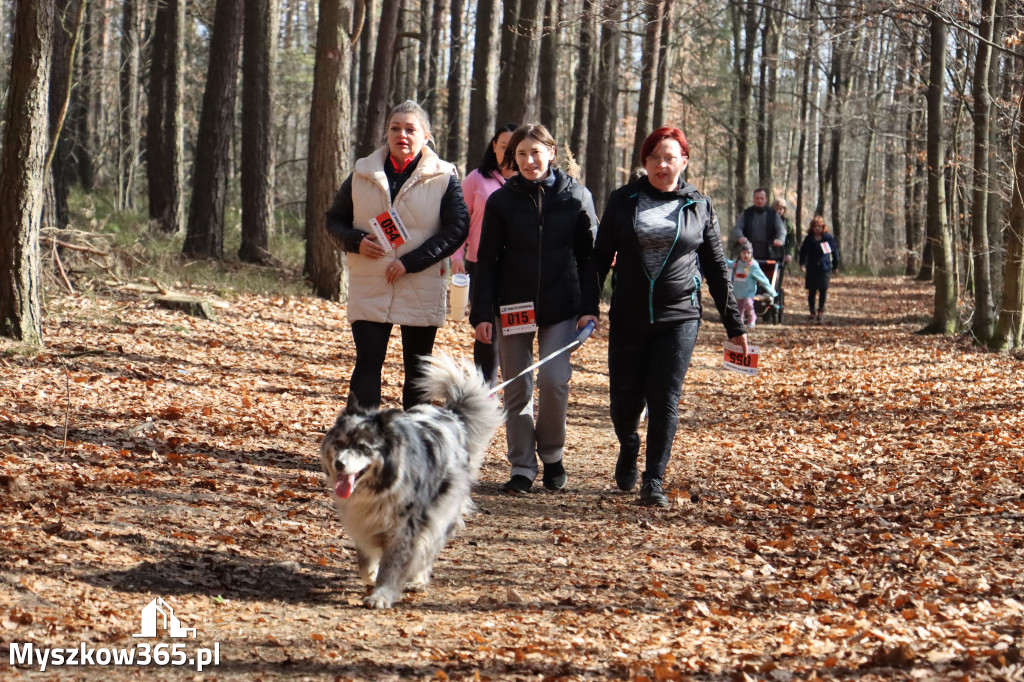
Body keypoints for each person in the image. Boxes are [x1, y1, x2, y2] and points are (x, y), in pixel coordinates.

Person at [581, 127, 748, 508]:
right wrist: (588, 307)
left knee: (665, 398)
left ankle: (653, 478)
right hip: (628, 315)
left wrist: (734, 326)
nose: (662, 164)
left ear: (684, 161)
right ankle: (628, 443)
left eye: (670, 157)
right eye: (654, 157)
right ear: (645, 162)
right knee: (624, 403)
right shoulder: (624, 200)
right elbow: (598, 258)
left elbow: (717, 268)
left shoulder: (699, 205)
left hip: (680, 316)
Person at [471, 124, 597, 494]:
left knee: (554, 381)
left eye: (536, 153)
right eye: (521, 154)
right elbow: (487, 261)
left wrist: (590, 307)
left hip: (562, 305)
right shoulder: (501, 201)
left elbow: (590, 259)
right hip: (512, 306)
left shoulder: (576, 197)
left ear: (551, 153)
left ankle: (553, 455)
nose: (529, 161)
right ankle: (522, 466)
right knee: (517, 388)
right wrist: (481, 313)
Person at [326, 100, 469, 409]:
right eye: (395, 128)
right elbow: (333, 221)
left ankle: (414, 448)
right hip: (370, 281)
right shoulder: (361, 173)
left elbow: (457, 229)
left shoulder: (444, 177)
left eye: (410, 129)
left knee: (418, 371)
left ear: (426, 136)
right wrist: (356, 241)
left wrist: (409, 263)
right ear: (386, 133)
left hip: (421, 283)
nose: (401, 135)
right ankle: (364, 444)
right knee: (367, 362)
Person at [452, 123, 518, 385]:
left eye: (516, 147)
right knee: (486, 332)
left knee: (514, 334)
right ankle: (485, 394)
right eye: (504, 146)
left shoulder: (528, 183)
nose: (510, 152)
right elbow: (460, 222)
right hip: (481, 268)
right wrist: (457, 256)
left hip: (517, 271)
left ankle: (515, 394)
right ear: (494, 147)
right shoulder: (476, 180)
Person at [799, 215, 840, 324]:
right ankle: (812, 311)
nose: (817, 228)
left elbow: (835, 252)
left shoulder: (828, 238)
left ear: (823, 227)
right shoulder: (809, 239)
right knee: (811, 291)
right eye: (815, 226)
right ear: (812, 227)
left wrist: (835, 266)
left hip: (824, 268)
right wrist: (802, 264)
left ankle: (820, 310)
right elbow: (803, 252)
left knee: (823, 290)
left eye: (819, 226)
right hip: (811, 268)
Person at [728, 242, 777, 328]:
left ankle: (752, 317)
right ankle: (740, 324)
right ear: (740, 253)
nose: (746, 255)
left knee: (748, 304)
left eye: (748, 253)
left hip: (748, 292)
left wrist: (771, 291)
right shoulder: (737, 263)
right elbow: (728, 263)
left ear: (751, 254)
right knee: (739, 309)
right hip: (738, 292)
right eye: (744, 253)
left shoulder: (753, 266)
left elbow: (763, 279)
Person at [732, 188, 786, 262]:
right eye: (757, 198)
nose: (759, 200)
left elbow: (781, 229)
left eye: (761, 198)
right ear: (754, 199)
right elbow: (737, 228)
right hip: (749, 253)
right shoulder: (746, 213)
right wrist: (740, 237)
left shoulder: (773, 214)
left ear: (766, 199)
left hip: (770, 253)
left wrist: (780, 239)